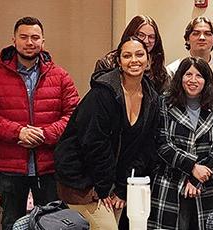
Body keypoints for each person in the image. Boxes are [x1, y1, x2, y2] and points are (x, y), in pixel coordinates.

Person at [0, 16, 80, 230]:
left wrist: (45, 133)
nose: (29, 42)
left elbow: (74, 115)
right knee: (12, 225)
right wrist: (18, 132)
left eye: (35, 37)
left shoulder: (60, 76)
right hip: (9, 169)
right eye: (24, 37)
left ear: (43, 41)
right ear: (14, 40)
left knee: (53, 225)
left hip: (50, 167)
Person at [55, 37, 160, 230]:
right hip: (83, 181)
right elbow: (94, 144)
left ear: (148, 60)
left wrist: (121, 189)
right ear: (119, 62)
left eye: (139, 54)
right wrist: (104, 189)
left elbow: (144, 149)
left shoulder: (152, 98)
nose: (134, 60)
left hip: (114, 184)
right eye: (127, 56)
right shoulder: (102, 94)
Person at [149, 57, 213, 230]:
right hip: (170, 182)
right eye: (188, 74)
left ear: (207, 80)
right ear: (180, 77)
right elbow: (162, 144)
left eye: (199, 76)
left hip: (209, 183)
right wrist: (192, 167)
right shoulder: (164, 103)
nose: (193, 80)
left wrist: (196, 178)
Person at [94, 15, 170, 91]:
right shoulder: (107, 63)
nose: (146, 41)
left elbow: (165, 97)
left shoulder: (158, 65)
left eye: (151, 37)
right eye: (141, 35)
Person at [166, 16, 213, 88]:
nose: (202, 38)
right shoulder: (172, 71)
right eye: (196, 33)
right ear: (187, 39)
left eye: (207, 34)